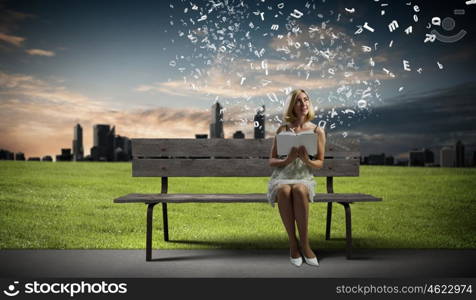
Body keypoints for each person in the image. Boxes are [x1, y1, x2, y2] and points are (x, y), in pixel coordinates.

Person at [267, 89, 326, 267]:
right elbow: (271, 160)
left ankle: (305, 245)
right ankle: (293, 245)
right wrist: (287, 160)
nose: (303, 104)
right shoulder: (282, 129)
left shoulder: (317, 131)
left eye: (306, 100)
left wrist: (307, 160)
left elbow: (320, 163)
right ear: (292, 106)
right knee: (284, 191)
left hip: (303, 177)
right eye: (299, 101)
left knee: (299, 189)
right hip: (283, 176)